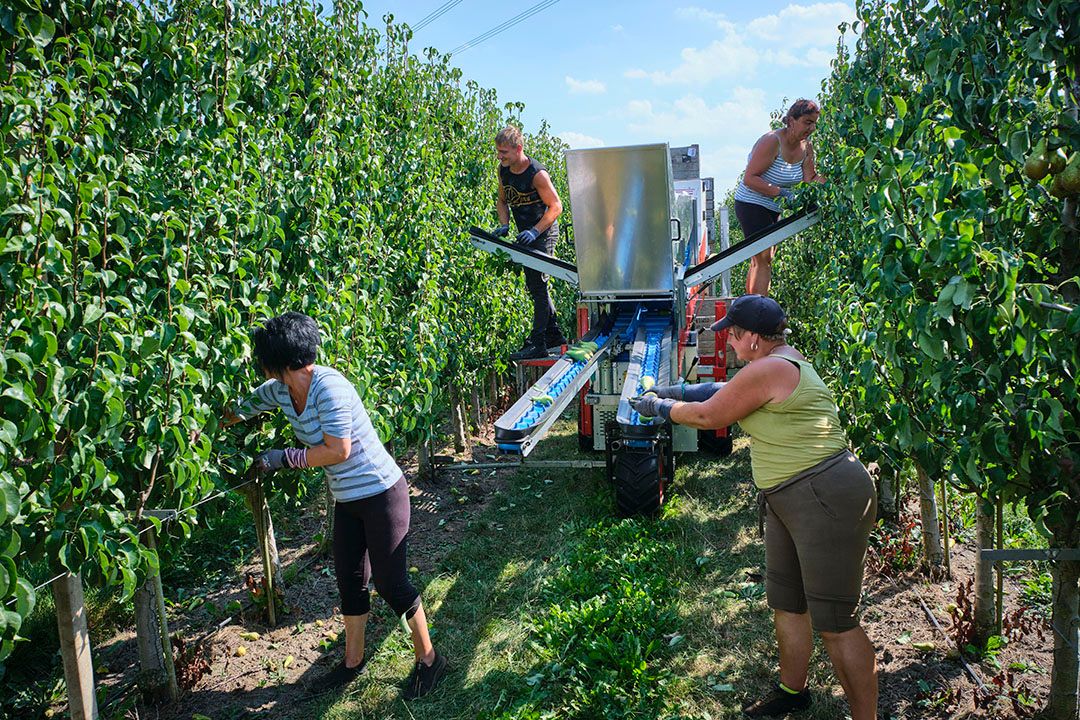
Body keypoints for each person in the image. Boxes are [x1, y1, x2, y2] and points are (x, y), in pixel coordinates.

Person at [630, 295, 878, 720]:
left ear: (755, 340)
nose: (728, 344)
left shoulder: (773, 368)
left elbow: (710, 415)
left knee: (837, 622)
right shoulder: (773, 364)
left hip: (824, 497)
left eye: (733, 335)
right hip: (790, 498)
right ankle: (793, 692)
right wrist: (671, 390)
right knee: (787, 601)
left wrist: (660, 407)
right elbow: (721, 391)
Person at [226, 312, 447, 700]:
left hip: (381, 493)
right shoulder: (281, 390)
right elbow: (243, 407)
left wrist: (282, 458)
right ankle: (352, 663)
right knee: (349, 582)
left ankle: (430, 661)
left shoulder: (330, 388)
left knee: (392, 584)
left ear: (280, 361)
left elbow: (337, 450)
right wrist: (204, 424)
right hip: (347, 500)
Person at [734, 99, 827, 296]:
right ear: (792, 120)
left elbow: (809, 180)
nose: (811, 128)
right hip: (751, 202)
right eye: (807, 122)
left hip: (772, 207)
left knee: (762, 258)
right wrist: (782, 193)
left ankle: (750, 307)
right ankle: (760, 312)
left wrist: (834, 180)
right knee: (763, 258)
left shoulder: (807, 148)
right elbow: (750, 178)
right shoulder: (771, 141)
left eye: (814, 123)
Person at [491, 125, 567, 361]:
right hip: (525, 233)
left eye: (504, 152)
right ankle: (554, 335)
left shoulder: (536, 174)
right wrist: (504, 225)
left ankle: (539, 343)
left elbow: (556, 206)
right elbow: (502, 201)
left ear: (518, 149)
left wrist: (535, 231)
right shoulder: (504, 171)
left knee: (538, 285)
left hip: (542, 231)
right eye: (498, 152)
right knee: (536, 286)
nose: (500, 156)